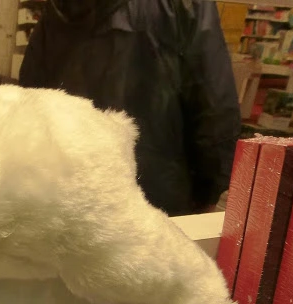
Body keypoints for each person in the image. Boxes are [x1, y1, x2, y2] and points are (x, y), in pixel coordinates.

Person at [19, 0, 242, 216]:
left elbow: (30, 95)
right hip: (157, 195)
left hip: (70, 188)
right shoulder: (185, 5)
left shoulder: (55, 11)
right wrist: (211, 190)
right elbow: (215, 103)